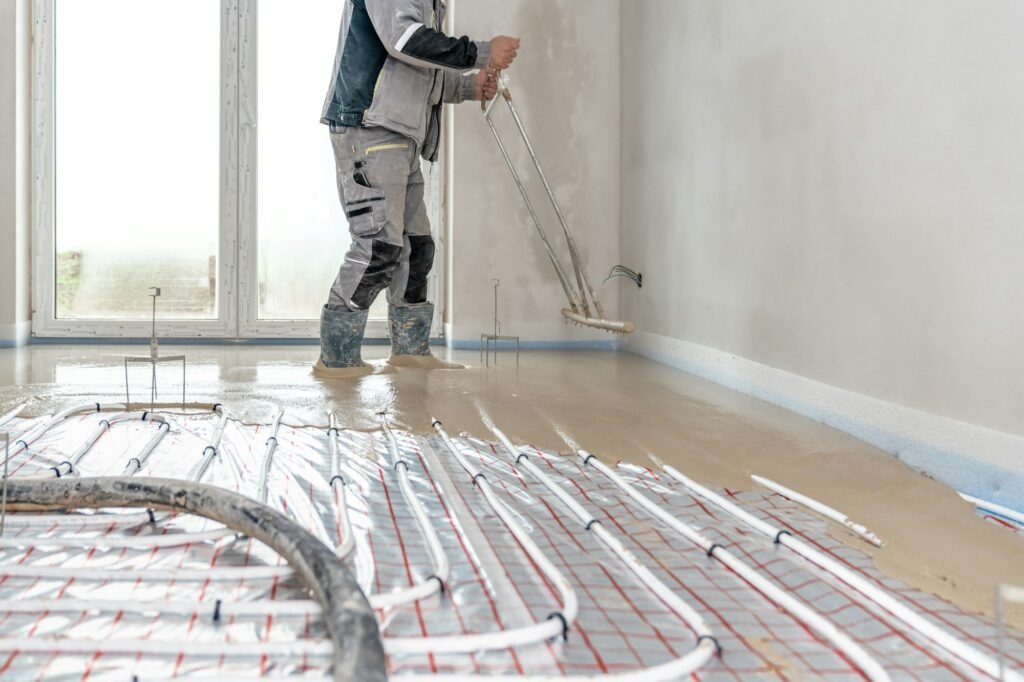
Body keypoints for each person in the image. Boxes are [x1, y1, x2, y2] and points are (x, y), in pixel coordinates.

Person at [318, 0, 519, 369]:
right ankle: (337, 361)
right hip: (370, 127)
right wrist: (483, 52)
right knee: (378, 248)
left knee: (417, 247)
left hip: (399, 132)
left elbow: (416, 72)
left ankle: (410, 355)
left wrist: (468, 87)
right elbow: (406, 40)